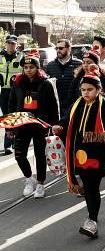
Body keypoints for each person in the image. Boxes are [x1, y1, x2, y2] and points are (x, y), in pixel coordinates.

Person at [52, 66, 105, 238]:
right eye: (83, 90)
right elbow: (66, 121)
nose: (86, 93)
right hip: (80, 155)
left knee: (92, 187)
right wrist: (59, 127)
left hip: (99, 155)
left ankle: (92, 220)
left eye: (90, 90)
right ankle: (92, 219)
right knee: (90, 187)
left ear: (99, 90)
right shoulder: (76, 106)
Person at [8, 49, 59, 198]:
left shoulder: (45, 83)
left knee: (40, 155)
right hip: (21, 125)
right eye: (26, 68)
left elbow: (53, 106)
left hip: (40, 125)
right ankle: (29, 179)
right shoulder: (17, 83)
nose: (28, 70)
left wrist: (54, 126)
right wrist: (10, 126)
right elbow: (11, 105)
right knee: (19, 155)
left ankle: (41, 183)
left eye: (31, 67)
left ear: (37, 68)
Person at [45, 39, 82, 117]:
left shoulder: (79, 64)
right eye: (56, 48)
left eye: (61, 48)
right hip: (56, 107)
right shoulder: (50, 66)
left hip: (74, 106)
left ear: (69, 48)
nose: (58, 50)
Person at [0, 34, 23, 155]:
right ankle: (8, 145)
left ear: (16, 45)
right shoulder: (0, 56)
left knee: (16, 115)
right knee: (7, 116)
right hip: (3, 90)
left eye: (13, 43)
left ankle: (15, 142)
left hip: (17, 90)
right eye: (8, 43)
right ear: (5, 44)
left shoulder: (21, 56)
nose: (10, 45)